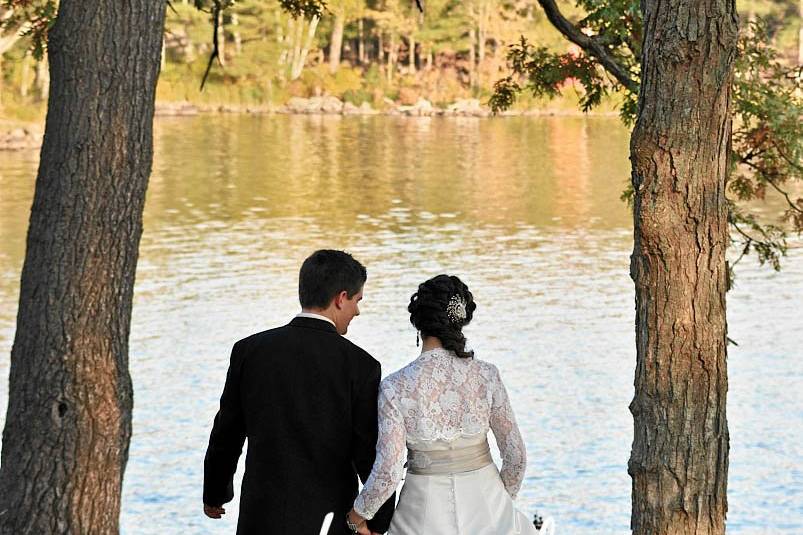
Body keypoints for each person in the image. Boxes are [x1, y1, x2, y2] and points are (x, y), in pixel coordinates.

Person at [203, 249, 395, 534]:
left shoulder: (250, 351)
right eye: (357, 301)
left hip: (261, 515)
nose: (357, 311)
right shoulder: (361, 366)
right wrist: (377, 520)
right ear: (341, 298)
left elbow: (227, 433)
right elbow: (369, 452)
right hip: (327, 520)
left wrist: (215, 493)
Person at [345, 274, 538, 535]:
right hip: (489, 507)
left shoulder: (395, 386)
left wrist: (357, 516)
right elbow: (516, 458)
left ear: (418, 323)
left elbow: (389, 471)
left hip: (421, 514)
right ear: (461, 321)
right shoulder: (486, 375)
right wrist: (500, 501)